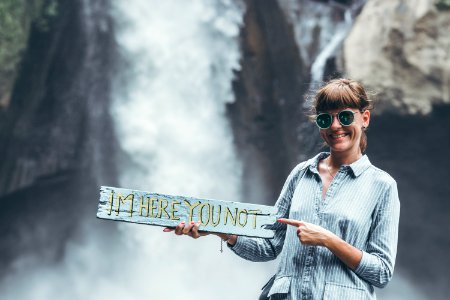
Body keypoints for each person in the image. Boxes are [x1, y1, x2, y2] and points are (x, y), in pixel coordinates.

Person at [164, 78, 400, 300]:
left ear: (365, 118)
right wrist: (222, 231)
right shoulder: (301, 174)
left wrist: (328, 240)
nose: (336, 126)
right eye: (325, 119)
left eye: (345, 117)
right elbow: (269, 246)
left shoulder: (382, 186)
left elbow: (381, 272)